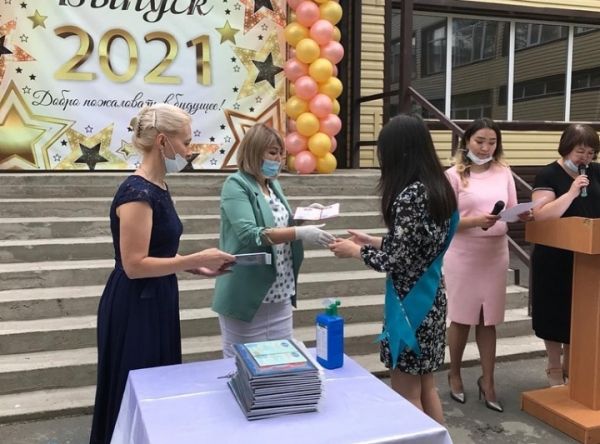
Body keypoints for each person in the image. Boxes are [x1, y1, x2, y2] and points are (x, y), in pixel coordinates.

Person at [89, 104, 235, 444]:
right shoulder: (137, 193)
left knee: (159, 383)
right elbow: (134, 265)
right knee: (137, 385)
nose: (188, 150)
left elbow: (159, 252)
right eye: (185, 141)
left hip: (158, 296)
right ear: (162, 142)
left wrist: (194, 266)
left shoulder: (159, 187)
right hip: (134, 303)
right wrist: (194, 258)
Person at [329, 114, 458, 425]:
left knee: (406, 393)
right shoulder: (440, 188)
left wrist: (356, 251)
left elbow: (397, 260)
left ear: (399, 152)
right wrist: (374, 240)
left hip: (409, 307)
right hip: (432, 297)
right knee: (426, 386)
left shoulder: (410, 195)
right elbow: (418, 246)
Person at [212, 123, 335, 358]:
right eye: (272, 153)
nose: (278, 159)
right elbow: (250, 233)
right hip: (248, 292)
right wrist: (299, 233)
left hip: (280, 290)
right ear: (254, 151)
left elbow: (278, 223)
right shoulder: (236, 184)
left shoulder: (272, 184)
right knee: (243, 363)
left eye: (281, 154)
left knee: (281, 361)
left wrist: (302, 217)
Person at [443, 118, 529, 413]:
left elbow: (513, 209)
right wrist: (476, 221)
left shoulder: (504, 171)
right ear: (467, 141)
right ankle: (454, 373)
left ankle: (488, 380)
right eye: (480, 141)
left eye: (492, 142)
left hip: (495, 251)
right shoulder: (453, 175)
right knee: (461, 317)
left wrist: (522, 214)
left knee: (488, 319)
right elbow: (444, 221)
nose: (485, 147)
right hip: (463, 252)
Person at [530, 123, 600, 387]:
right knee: (554, 313)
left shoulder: (596, 172)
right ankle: (554, 367)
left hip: (588, 257)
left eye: (591, 153)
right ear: (567, 147)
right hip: (555, 257)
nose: (585, 158)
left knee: (580, 314)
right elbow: (542, 215)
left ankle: (574, 367)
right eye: (580, 151)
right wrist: (571, 192)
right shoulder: (548, 174)